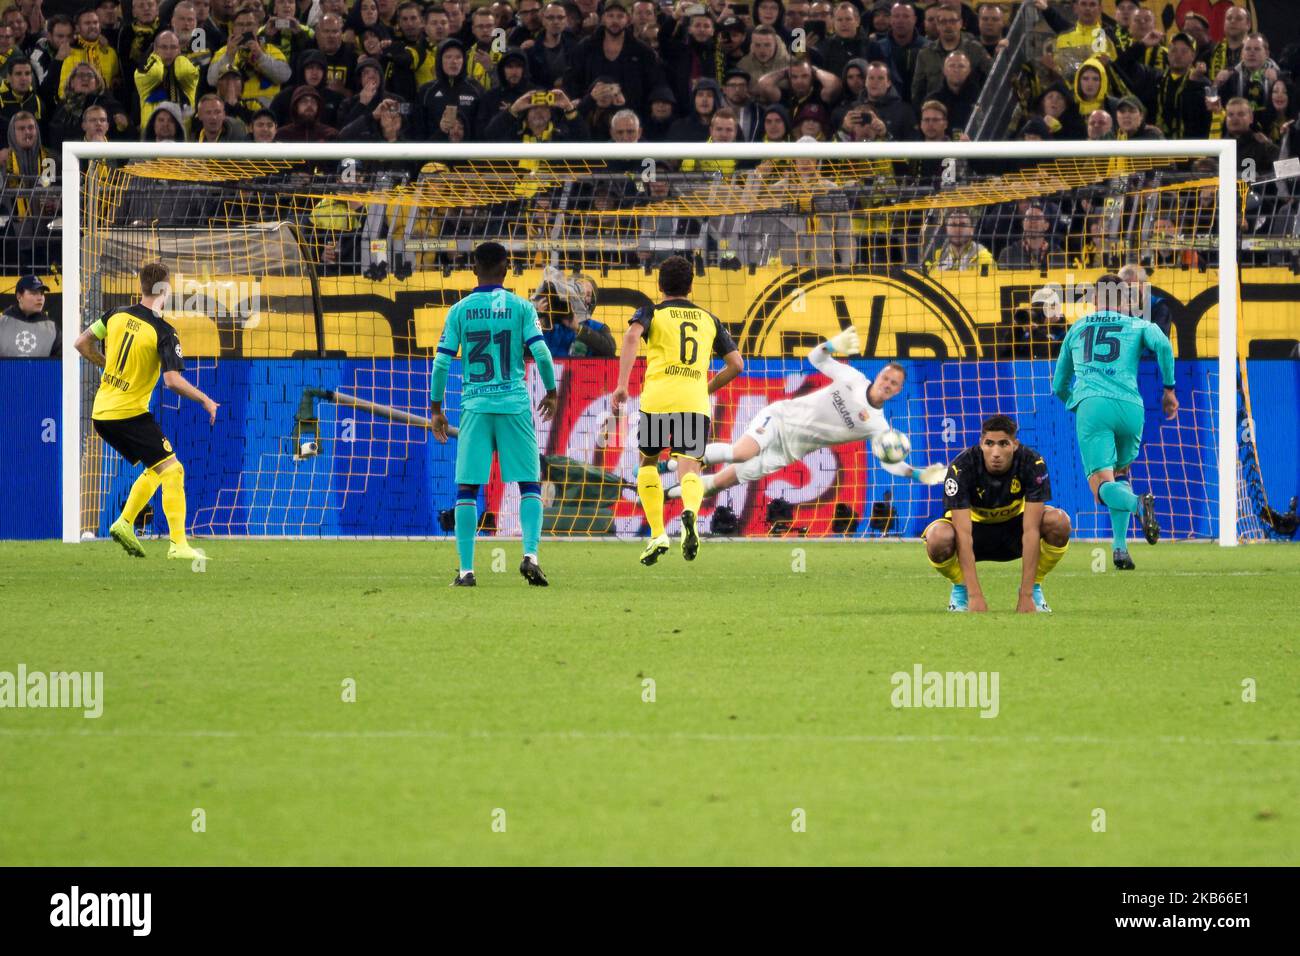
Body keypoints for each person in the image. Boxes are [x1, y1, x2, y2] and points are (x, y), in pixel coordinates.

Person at [666, 325, 944, 502]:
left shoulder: (878, 427)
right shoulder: (853, 378)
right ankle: (677, 459)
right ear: (879, 376)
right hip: (781, 418)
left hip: (789, 451)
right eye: (886, 378)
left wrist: (918, 474)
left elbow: (889, 462)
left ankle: (666, 490)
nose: (887, 384)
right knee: (740, 452)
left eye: (894, 384)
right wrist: (834, 345)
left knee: (718, 484)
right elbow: (817, 358)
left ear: (897, 392)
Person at [429, 241, 559, 588]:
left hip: (474, 406)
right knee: (529, 482)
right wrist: (552, 391)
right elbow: (542, 354)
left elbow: (441, 361)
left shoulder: (459, 310)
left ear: (474, 268)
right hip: (514, 404)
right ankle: (530, 555)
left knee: (468, 488)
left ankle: (467, 571)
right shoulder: (520, 307)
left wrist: (436, 408)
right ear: (506, 269)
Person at [72, 261, 219, 561]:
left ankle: (124, 523)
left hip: (102, 414)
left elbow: (81, 343)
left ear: (141, 286)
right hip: (129, 414)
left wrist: (106, 364)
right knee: (174, 470)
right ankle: (178, 545)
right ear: (165, 289)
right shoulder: (164, 331)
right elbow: (172, 381)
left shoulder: (114, 315)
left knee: (159, 466)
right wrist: (205, 400)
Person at [610, 255, 743, 566]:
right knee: (690, 467)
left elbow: (631, 336)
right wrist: (705, 388)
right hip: (694, 401)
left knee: (648, 463)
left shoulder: (651, 313)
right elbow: (736, 364)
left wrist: (621, 385)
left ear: (659, 285)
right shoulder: (709, 319)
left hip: (658, 398)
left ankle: (658, 533)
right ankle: (691, 515)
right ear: (691, 286)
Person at [1051, 273, 1175, 570]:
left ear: (1095, 299)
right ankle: (1119, 549)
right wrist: (1169, 390)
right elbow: (1164, 345)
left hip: (1093, 406)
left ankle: (1137, 505)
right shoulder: (1138, 324)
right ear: (1127, 301)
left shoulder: (1077, 327)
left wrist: (1076, 402)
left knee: (1100, 486)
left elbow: (1058, 385)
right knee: (1119, 475)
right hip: (1131, 408)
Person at [924, 414, 1071, 613]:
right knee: (937, 537)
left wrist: (1025, 595)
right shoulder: (961, 468)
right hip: (974, 534)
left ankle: (1035, 587)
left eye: (1003, 444)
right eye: (989, 443)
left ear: (1015, 445)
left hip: (1014, 531)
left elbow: (1030, 531)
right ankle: (961, 588)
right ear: (981, 444)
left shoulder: (1032, 463)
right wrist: (974, 595)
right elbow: (963, 535)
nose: (996, 452)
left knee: (1059, 522)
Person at [0, 274, 58, 357]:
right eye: (34, 293)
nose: (40, 298)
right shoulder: (2, 324)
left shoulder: (52, 328)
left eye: (42, 293)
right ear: (19, 296)